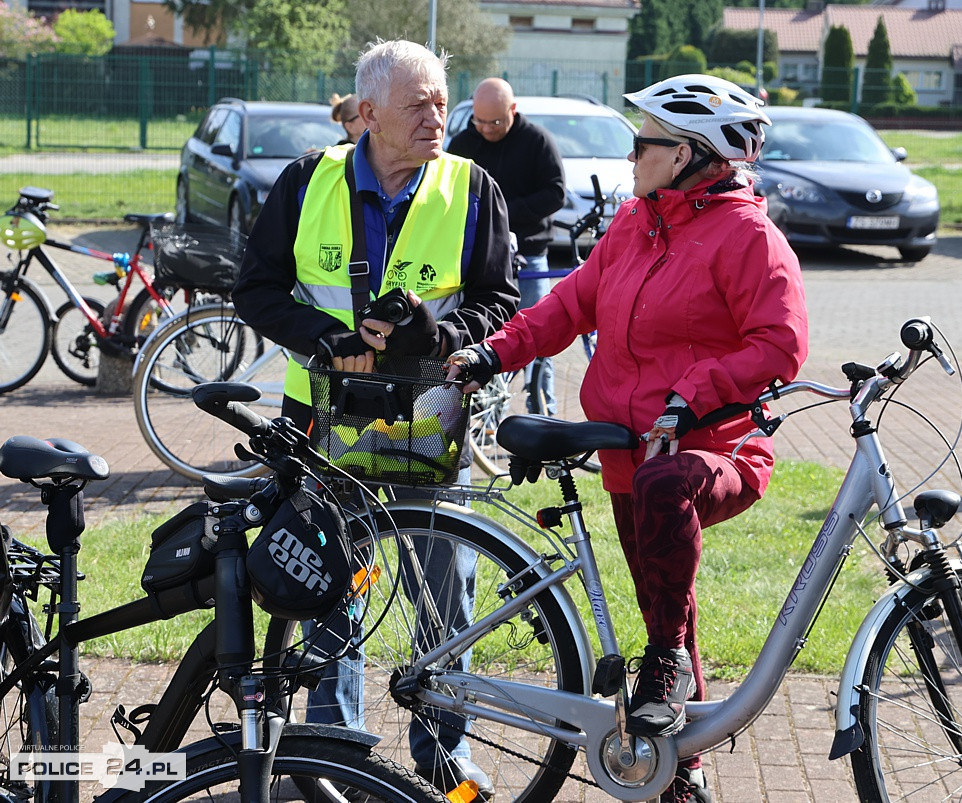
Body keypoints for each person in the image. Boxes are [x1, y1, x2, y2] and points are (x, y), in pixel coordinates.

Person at [447, 74, 809, 803]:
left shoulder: (747, 237)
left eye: (644, 139)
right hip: (628, 450)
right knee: (662, 607)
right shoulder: (635, 223)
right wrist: (493, 350)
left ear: (687, 154)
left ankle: (670, 695)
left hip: (718, 449)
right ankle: (685, 774)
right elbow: (573, 303)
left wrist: (692, 393)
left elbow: (781, 343)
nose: (632, 150)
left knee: (666, 586)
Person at [234, 39, 519, 801]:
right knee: (331, 582)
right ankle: (333, 750)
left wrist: (442, 335)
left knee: (442, 587)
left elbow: (502, 300)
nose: (437, 118)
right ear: (366, 115)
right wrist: (324, 340)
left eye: (440, 101)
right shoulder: (305, 181)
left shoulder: (472, 187)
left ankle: (440, 755)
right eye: (417, 105)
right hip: (322, 422)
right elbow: (255, 290)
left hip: (429, 417)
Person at [447, 77, 565, 415]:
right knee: (480, 333)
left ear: (513, 110)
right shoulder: (465, 142)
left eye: (495, 122)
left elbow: (555, 192)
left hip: (529, 253)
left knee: (542, 336)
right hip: (479, 256)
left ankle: (545, 412)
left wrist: (502, 214)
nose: (486, 129)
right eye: (479, 121)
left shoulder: (537, 141)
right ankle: (480, 409)